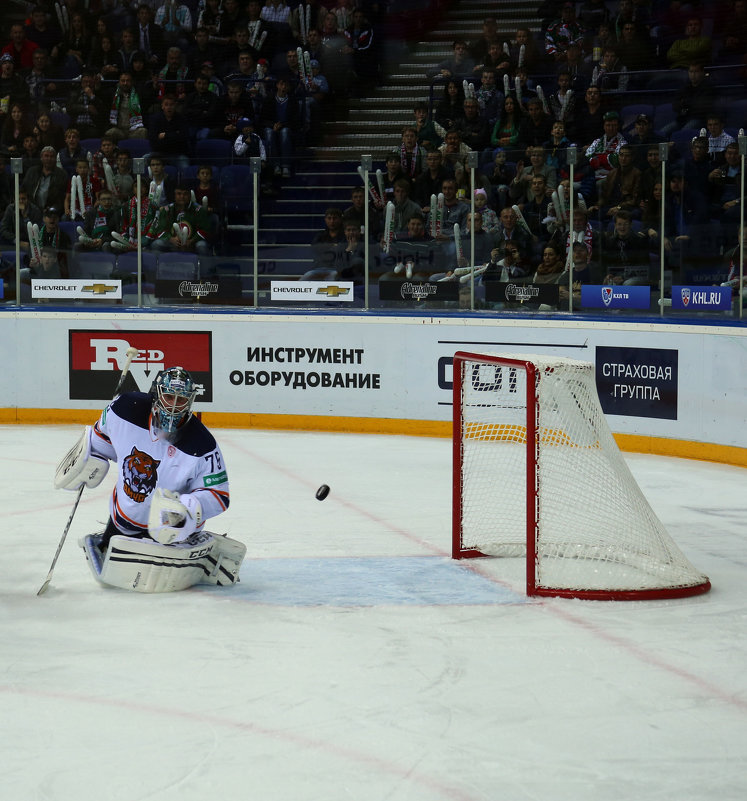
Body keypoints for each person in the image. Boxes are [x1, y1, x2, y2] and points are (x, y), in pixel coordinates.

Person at [55, 367, 241, 593]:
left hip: (172, 537)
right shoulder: (124, 410)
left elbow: (219, 495)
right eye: (169, 396)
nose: (174, 405)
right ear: (156, 393)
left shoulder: (202, 445)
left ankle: (195, 549)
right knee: (113, 585)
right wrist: (88, 458)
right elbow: (101, 438)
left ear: (191, 401)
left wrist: (191, 507)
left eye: (181, 399)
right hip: (124, 523)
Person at [149, 185, 214, 256]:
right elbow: (160, 230)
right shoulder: (166, 210)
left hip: (192, 244)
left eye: (185, 194)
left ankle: (203, 266)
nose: (182, 197)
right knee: (156, 244)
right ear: (174, 195)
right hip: (172, 243)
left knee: (202, 246)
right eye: (179, 194)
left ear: (190, 195)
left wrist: (191, 241)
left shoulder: (199, 210)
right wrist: (171, 239)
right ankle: (162, 266)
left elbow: (205, 230)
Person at [21, 146, 69, 211]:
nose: (49, 159)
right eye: (46, 156)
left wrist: (52, 209)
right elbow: (23, 189)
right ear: (41, 158)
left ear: (55, 159)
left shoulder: (62, 175)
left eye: (52, 156)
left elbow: (61, 198)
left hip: (52, 211)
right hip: (32, 209)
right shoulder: (32, 172)